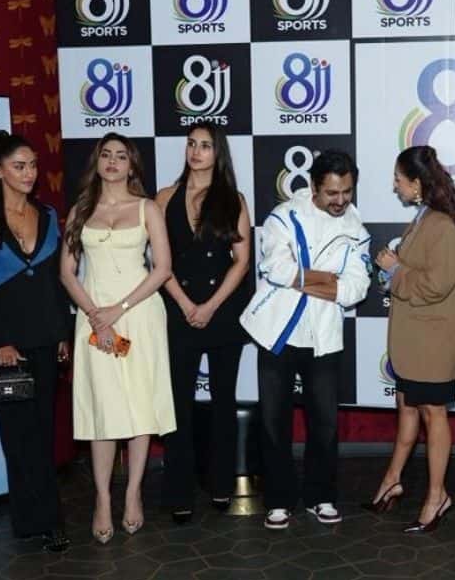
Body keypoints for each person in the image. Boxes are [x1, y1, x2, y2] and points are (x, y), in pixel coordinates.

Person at [244, 150, 372, 530]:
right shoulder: (283, 216)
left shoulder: (356, 227)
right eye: (332, 192)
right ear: (314, 187)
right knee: (272, 421)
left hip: (324, 337)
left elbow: (357, 288)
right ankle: (279, 500)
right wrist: (330, 281)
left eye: (347, 191)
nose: (340, 200)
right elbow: (276, 268)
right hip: (277, 333)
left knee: (326, 424)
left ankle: (321, 496)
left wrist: (308, 279)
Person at [0, 130, 73, 553]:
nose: (29, 173)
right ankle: (27, 519)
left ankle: (51, 520)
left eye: (32, 165)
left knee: (43, 430)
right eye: (18, 166)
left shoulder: (46, 214)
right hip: (5, 343)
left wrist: (63, 332)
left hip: (45, 337)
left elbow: (55, 281)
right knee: (16, 433)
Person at [60, 133, 176, 539]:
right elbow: (66, 273)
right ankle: (102, 500)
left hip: (140, 315)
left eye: (120, 156)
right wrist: (96, 316)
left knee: (141, 405)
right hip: (93, 320)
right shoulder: (80, 210)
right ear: (97, 162)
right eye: (105, 155)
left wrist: (119, 310)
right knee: (102, 411)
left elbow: (162, 268)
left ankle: (133, 494)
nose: (112, 162)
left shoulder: (147, 209)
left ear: (132, 165)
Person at [364, 146, 455, 534]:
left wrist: (395, 270)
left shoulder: (442, 225)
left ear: (417, 182)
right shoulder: (425, 218)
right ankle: (392, 480)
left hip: (433, 342)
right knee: (408, 409)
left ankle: (436, 497)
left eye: (398, 179)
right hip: (417, 342)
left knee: (433, 414)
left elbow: (433, 285)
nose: (394, 186)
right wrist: (394, 269)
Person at [156, 123, 253, 524]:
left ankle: (220, 485)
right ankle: (179, 490)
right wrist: (184, 303)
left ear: (219, 153)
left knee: (222, 401)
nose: (196, 152)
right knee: (177, 404)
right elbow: (159, 262)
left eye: (205, 146)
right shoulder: (163, 198)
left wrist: (211, 306)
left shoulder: (233, 199)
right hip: (177, 310)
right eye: (192, 144)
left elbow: (242, 261)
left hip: (222, 311)